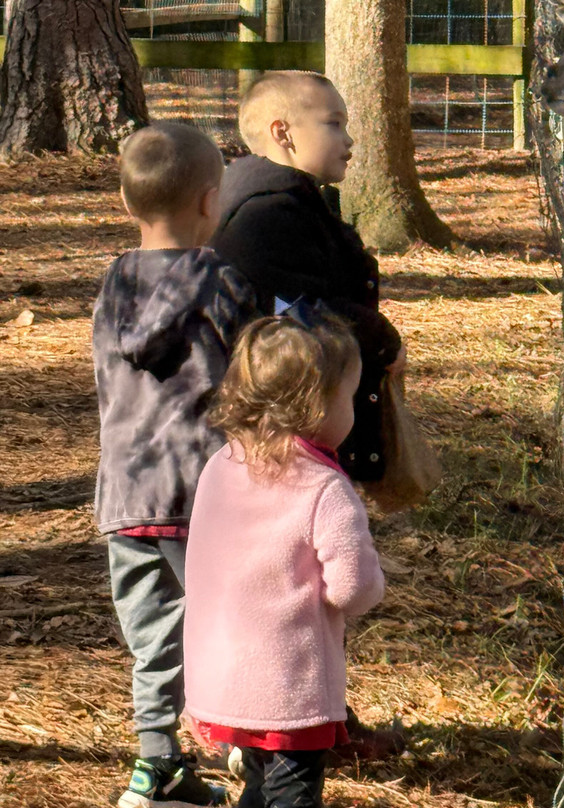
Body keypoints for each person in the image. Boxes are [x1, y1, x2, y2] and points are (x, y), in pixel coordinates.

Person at [93, 122, 256, 808]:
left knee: (152, 633)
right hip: (203, 491)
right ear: (211, 202)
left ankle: (156, 762)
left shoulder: (115, 282)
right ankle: (254, 745)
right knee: (234, 621)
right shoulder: (222, 282)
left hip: (127, 493)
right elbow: (258, 376)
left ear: (127, 203)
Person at [183, 312, 386, 808]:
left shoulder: (221, 465)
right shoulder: (325, 488)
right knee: (292, 795)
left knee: (259, 784)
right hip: (289, 688)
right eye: (349, 398)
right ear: (314, 407)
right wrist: (373, 583)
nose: (355, 411)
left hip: (222, 677)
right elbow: (354, 588)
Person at [211, 70, 405, 485]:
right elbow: (299, 311)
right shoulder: (267, 215)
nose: (348, 140)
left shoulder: (294, 201)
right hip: (282, 436)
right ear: (282, 133)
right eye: (333, 124)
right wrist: (382, 341)